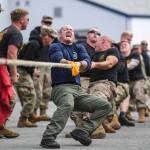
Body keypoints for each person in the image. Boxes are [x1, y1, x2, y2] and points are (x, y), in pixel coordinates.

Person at [40, 25, 112, 149]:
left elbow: (87, 60)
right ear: (59, 35)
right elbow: (58, 59)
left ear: (73, 35)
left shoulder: (79, 46)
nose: (69, 31)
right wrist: (69, 63)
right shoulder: (55, 46)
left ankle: (82, 131)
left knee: (105, 106)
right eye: (65, 30)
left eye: (71, 30)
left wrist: (80, 63)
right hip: (61, 88)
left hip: (78, 90)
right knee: (68, 104)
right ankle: (48, 137)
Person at [0, 8, 29, 138]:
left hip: (2, 67)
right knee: (9, 99)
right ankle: (1, 127)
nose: (28, 22)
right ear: (21, 19)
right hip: (2, 68)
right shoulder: (16, 33)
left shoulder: (5, 30)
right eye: (27, 19)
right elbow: (11, 54)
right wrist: (13, 74)